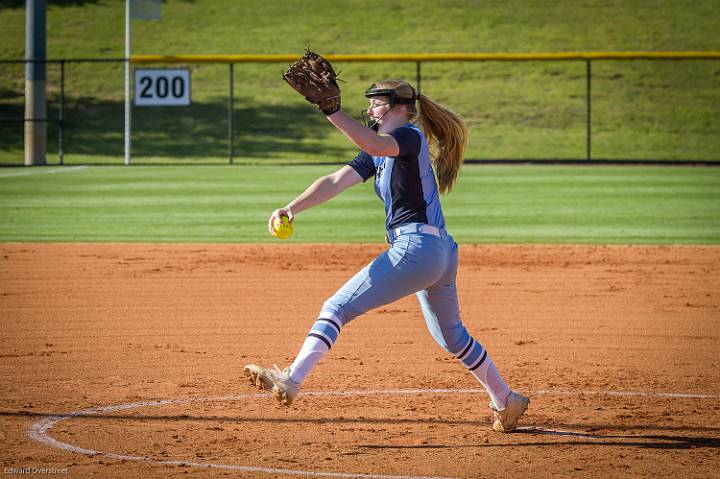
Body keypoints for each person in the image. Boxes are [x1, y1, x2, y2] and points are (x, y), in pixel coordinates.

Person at [244, 79, 529, 433]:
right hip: (438, 252)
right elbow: (335, 180)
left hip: (417, 249)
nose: (370, 110)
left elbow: (375, 143)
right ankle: (506, 400)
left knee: (336, 307)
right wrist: (291, 207)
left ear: (397, 107)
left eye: (376, 104)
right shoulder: (378, 153)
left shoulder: (408, 137)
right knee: (453, 338)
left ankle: (292, 379)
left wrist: (333, 112)